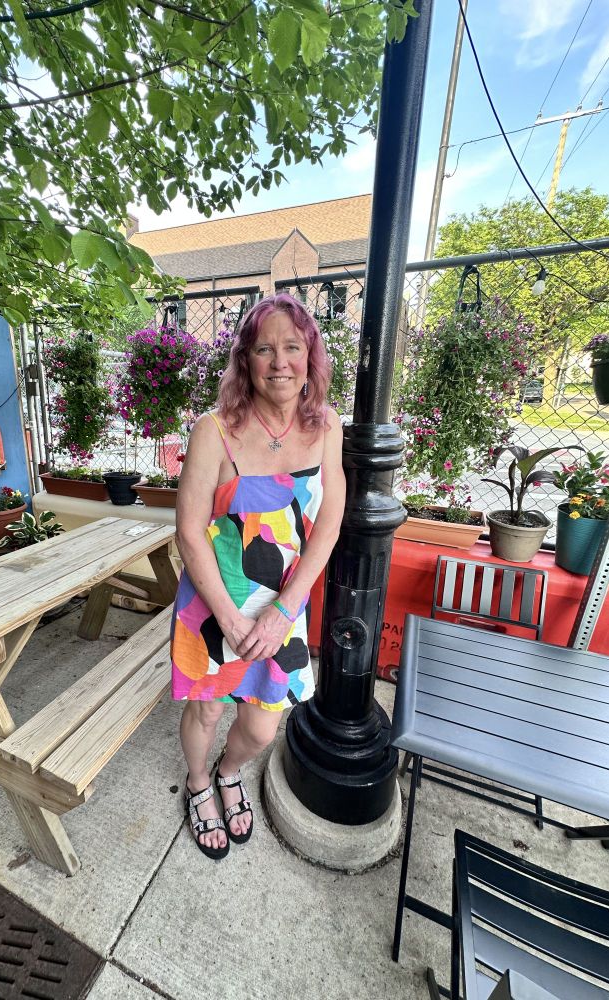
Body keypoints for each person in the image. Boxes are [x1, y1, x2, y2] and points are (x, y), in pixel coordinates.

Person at [170, 292, 346, 859]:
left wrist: (285, 608)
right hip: (214, 600)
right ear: (245, 360)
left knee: (263, 727)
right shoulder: (213, 431)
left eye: (292, 347)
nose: (280, 362)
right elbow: (190, 531)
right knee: (207, 708)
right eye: (265, 349)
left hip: (283, 604)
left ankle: (228, 771)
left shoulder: (327, 428)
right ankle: (199, 783)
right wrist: (228, 614)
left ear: (310, 356)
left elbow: (328, 523)